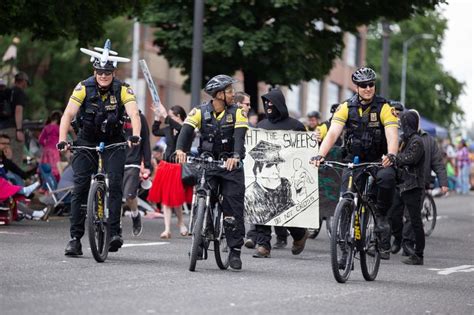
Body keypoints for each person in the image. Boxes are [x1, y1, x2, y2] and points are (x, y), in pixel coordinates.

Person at [57, 41, 141, 256]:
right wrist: (62, 139)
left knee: (114, 183)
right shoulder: (83, 87)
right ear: (94, 71)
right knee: (80, 187)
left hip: (114, 141)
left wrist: (135, 135)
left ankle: (114, 232)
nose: (103, 76)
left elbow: (134, 113)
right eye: (100, 72)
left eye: (107, 72)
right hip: (86, 140)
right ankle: (75, 239)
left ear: (113, 72)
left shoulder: (123, 89)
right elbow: (68, 114)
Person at [312, 67, 398, 260]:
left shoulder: (385, 108)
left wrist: (391, 154)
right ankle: (343, 249)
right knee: (347, 198)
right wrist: (320, 154)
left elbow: (392, 135)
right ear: (356, 87)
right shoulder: (345, 107)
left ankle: (381, 217)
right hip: (354, 160)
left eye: (371, 84)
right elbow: (333, 133)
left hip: (378, 160)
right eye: (363, 85)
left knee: (387, 179)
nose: (368, 88)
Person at [175, 74, 248, 270]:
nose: (233, 94)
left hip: (230, 166)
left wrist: (236, 156)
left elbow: (239, 139)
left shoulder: (238, 113)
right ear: (218, 94)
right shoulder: (199, 111)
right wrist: (180, 149)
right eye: (230, 91)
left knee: (233, 206)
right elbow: (186, 131)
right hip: (207, 164)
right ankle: (199, 241)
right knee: (202, 197)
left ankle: (234, 251)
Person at [249, 88, 309, 258]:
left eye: (272, 102)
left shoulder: (296, 126)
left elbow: (304, 150)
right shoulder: (260, 126)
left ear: (280, 104)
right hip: (263, 177)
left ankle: (299, 235)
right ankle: (263, 245)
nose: (269, 105)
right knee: (261, 209)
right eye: (266, 102)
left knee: (286, 213)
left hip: (286, 176)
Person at [390, 109, 448, 255]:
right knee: (395, 213)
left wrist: (443, 182)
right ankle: (398, 239)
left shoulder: (428, 140)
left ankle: (408, 245)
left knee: (411, 217)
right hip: (400, 182)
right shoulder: (403, 138)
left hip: (418, 182)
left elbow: (438, 163)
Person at [148, 103, 191, 239]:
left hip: (179, 167)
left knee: (176, 199)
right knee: (166, 200)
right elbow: (155, 131)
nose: (168, 119)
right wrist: (157, 117)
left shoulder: (186, 128)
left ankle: (180, 223)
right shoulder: (169, 129)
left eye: (171, 116)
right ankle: (167, 229)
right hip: (166, 166)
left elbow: (180, 129)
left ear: (178, 116)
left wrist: (165, 115)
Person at [394, 110, 425, 265]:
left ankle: (418, 255)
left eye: (404, 123)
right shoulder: (408, 139)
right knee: (396, 215)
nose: (402, 126)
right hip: (405, 185)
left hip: (413, 186)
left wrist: (396, 158)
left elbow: (410, 159)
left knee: (415, 221)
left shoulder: (416, 141)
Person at [122, 110, 152, 237]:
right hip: (116, 160)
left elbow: (145, 142)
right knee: (114, 196)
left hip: (133, 162)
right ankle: (115, 228)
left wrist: (147, 165)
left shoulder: (140, 117)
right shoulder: (113, 114)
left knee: (129, 195)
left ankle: (135, 214)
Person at [0, 72, 29, 166]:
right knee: (15, 160)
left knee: (3, 159)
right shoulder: (19, 92)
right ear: (23, 81)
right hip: (12, 129)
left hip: (2, 128)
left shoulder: (6, 91)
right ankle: (14, 180)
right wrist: (19, 130)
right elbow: (18, 110)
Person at [39, 111, 62, 180]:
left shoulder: (46, 128)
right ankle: (55, 184)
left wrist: (46, 145)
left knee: (45, 168)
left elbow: (40, 140)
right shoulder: (59, 128)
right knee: (55, 169)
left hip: (46, 151)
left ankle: (45, 185)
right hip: (55, 151)